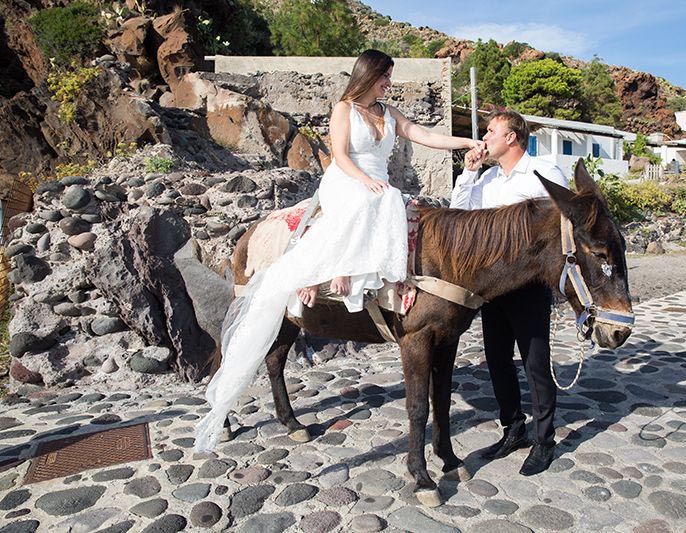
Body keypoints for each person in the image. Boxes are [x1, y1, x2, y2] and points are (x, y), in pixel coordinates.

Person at [195, 49, 483, 451]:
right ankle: (329, 276)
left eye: (390, 77)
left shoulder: (389, 112)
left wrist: (467, 141)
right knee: (379, 202)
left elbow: (424, 135)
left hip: (378, 186)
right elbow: (341, 156)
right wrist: (365, 182)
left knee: (399, 205)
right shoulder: (344, 109)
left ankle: (385, 285)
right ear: (368, 75)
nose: (389, 83)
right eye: (385, 76)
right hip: (349, 181)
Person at [450, 110, 569, 476]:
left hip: (529, 286)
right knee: (497, 360)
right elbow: (458, 215)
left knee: (535, 363)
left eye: (490, 131)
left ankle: (545, 440)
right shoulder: (485, 181)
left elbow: (564, 219)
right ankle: (513, 428)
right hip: (493, 287)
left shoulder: (544, 172)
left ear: (512, 137)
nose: (483, 138)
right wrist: (469, 172)